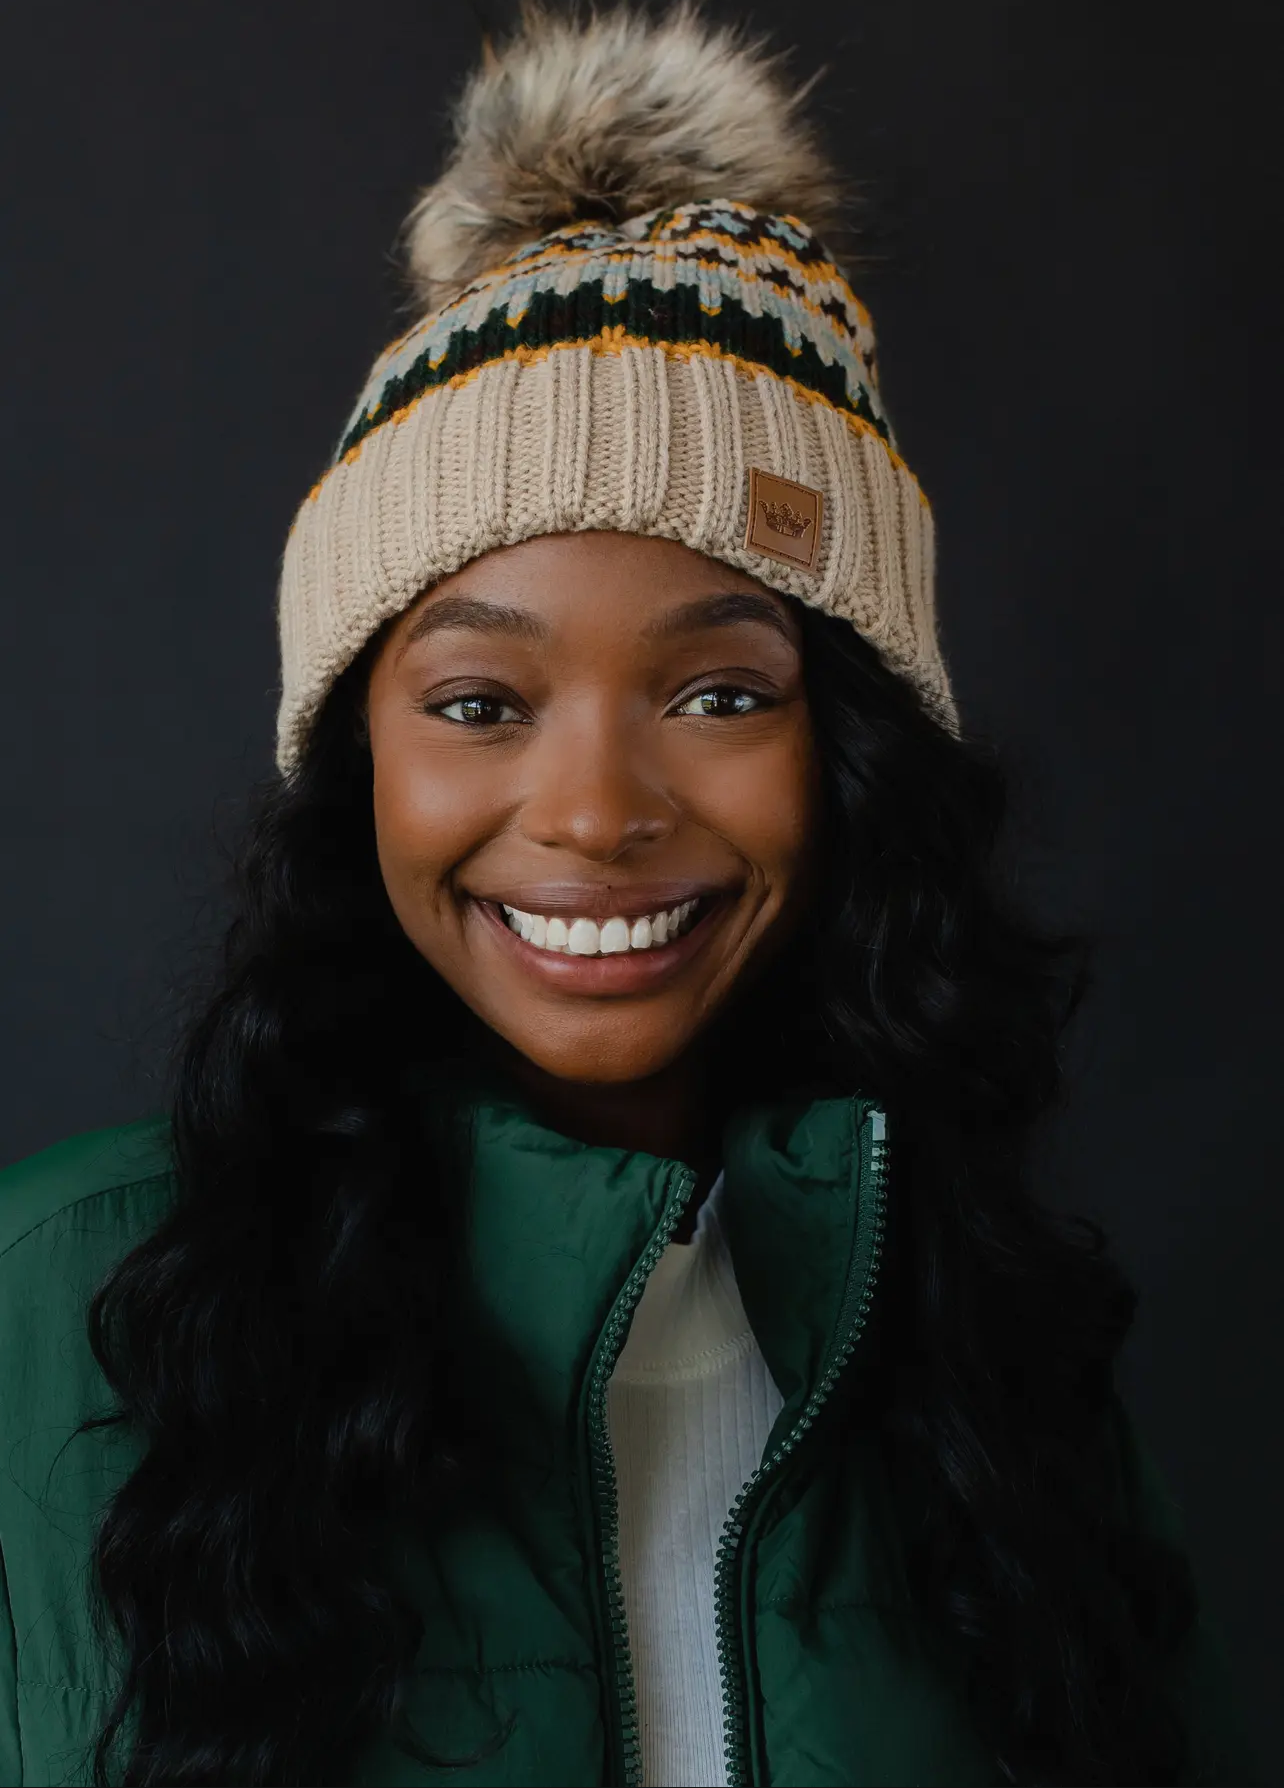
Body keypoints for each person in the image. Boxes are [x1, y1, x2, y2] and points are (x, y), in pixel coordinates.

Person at [0, 8, 1258, 1786]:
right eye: (478, 704)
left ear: (854, 754)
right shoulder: (57, 1305)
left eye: (722, 694)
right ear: (358, 761)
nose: (595, 815)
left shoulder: (1005, 1359)